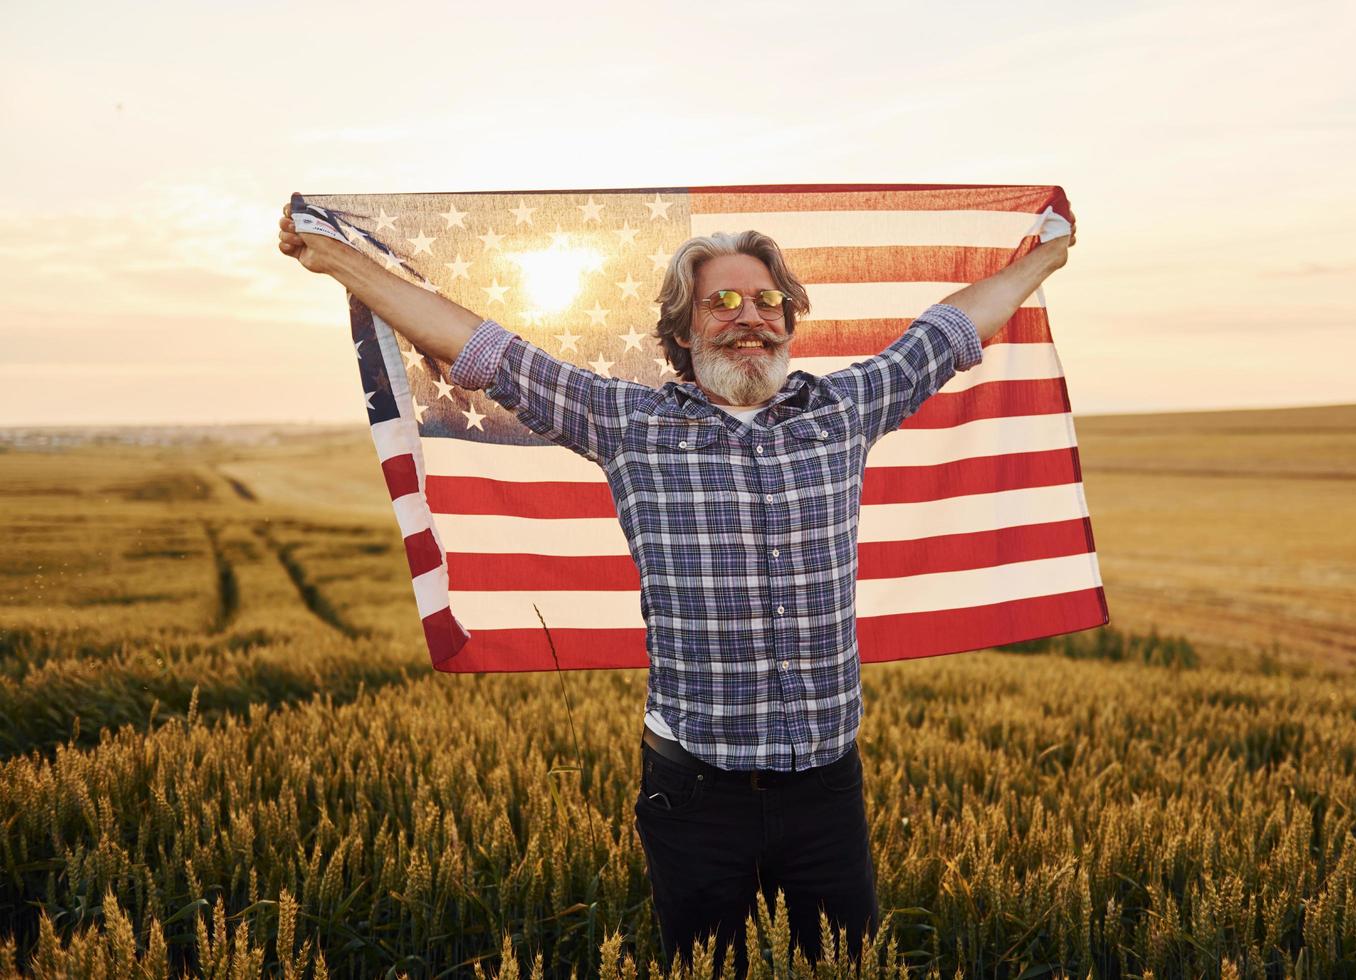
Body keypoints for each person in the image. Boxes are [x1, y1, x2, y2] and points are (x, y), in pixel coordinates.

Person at [277, 195, 1076, 974]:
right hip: (694, 797)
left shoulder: (842, 408)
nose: (750, 316)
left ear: (789, 322)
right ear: (683, 331)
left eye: (768, 301)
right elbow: (483, 349)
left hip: (827, 792)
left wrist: (1045, 254)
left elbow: (952, 329)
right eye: (722, 300)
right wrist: (338, 260)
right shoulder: (628, 421)